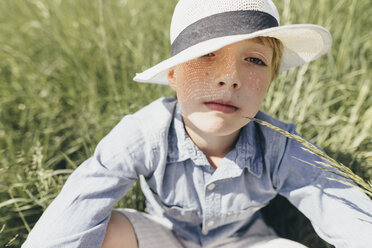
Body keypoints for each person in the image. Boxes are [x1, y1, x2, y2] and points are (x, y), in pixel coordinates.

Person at [22, 0, 372, 247]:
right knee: (104, 232)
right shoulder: (145, 133)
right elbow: (79, 202)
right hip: (163, 236)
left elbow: (345, 208)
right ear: (173, 73)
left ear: (270, 81)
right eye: (207, 55)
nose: (229, 78)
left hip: (243, 241)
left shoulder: (279, 146)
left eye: (254, 59)